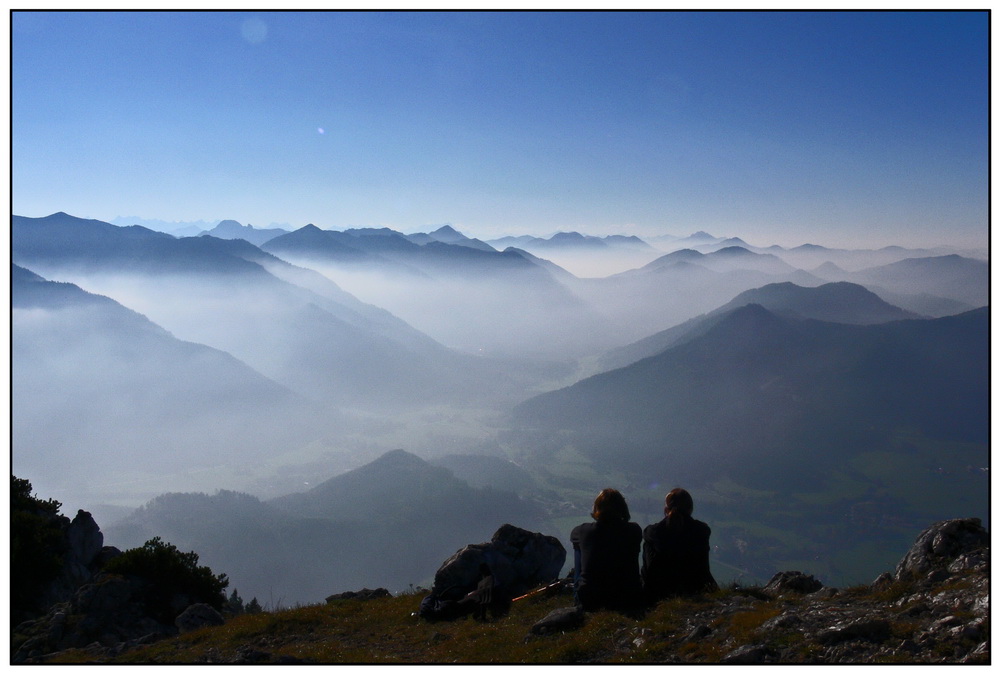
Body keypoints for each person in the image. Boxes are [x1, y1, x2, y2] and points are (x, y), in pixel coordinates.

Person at [570, 488, 643, 612]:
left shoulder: (583, 531)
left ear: (597, 508)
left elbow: (574, 536)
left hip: (591, 600)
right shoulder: (634, 530)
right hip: (628, 598)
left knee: (579, 547)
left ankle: (580, 588)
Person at [641, 487, 718, 604]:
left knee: (648, 546)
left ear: (666, 509)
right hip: (695, 588)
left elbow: (648, 534)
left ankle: (646, 593)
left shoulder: (653, 531)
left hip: (660, 592)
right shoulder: (702, 530)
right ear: (690, 509)